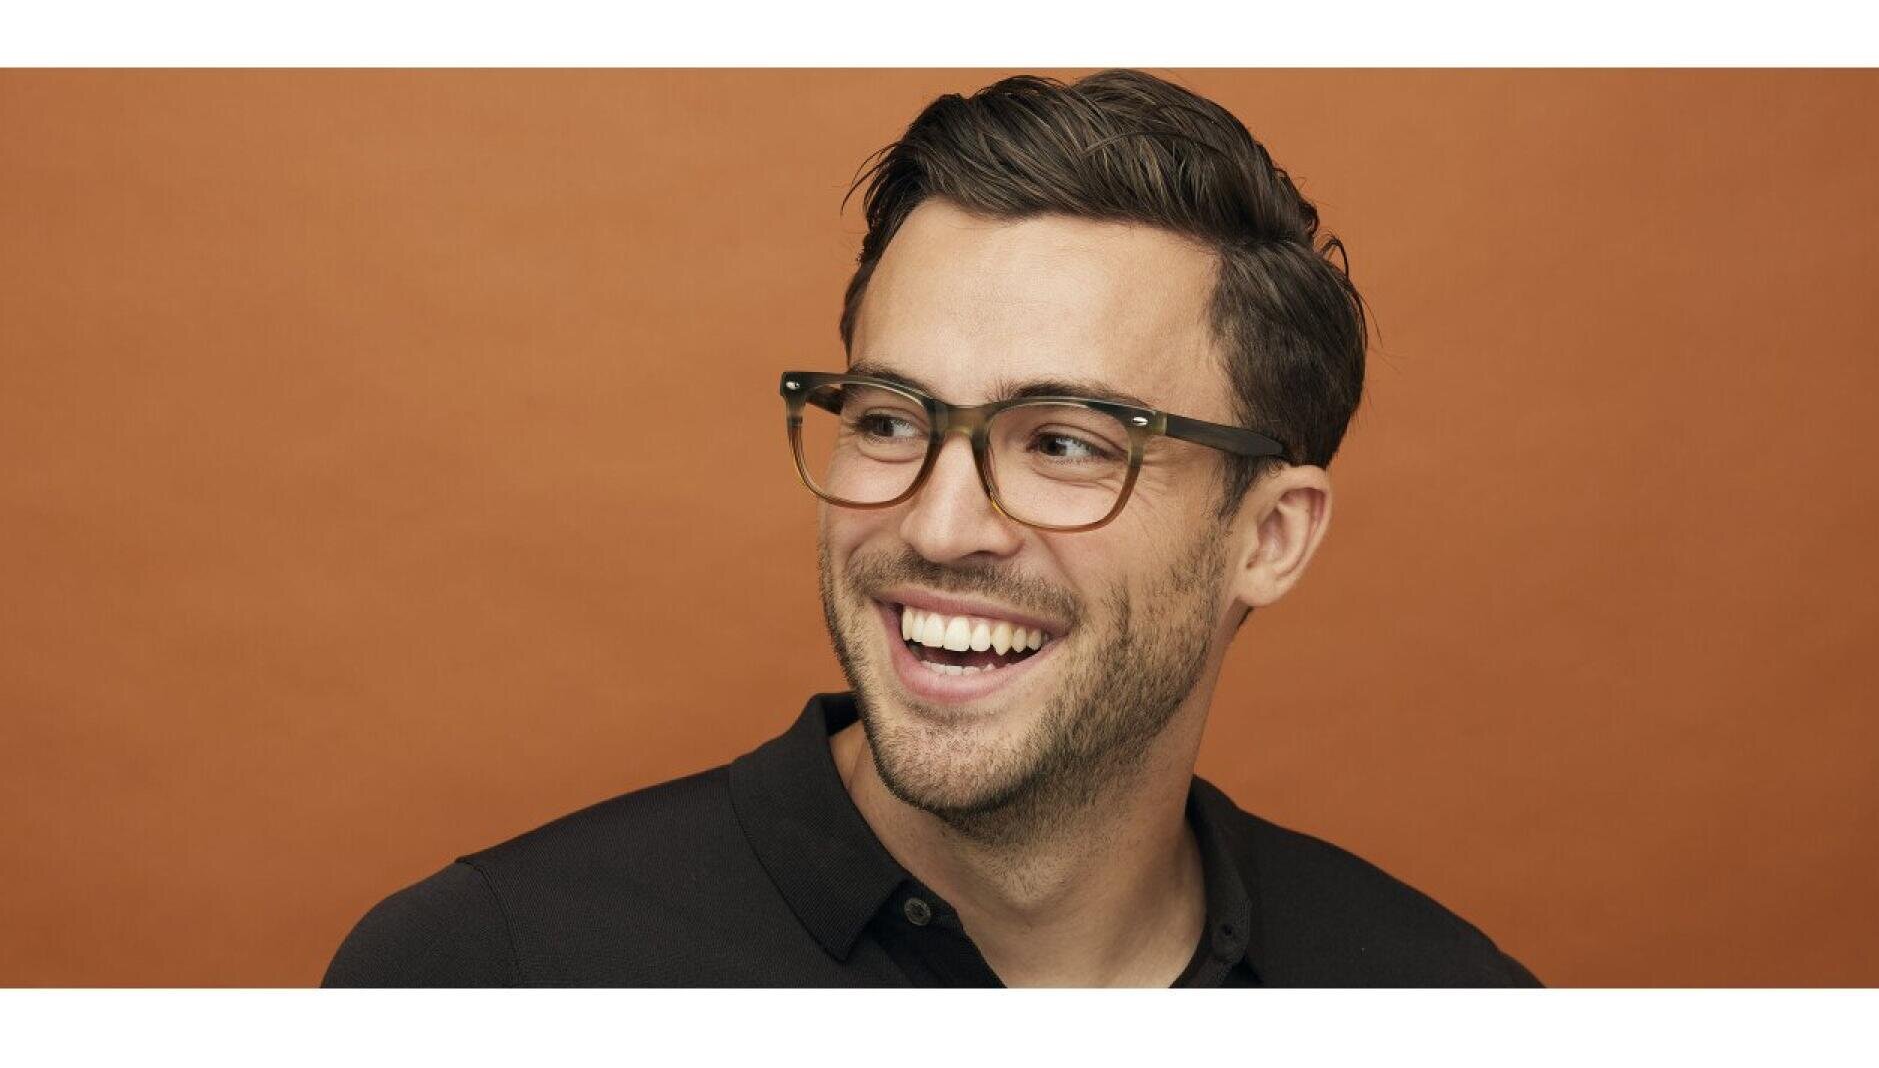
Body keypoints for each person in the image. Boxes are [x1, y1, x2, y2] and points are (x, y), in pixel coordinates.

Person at [323, 69, 1539, 988]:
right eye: (891, 420)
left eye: (1066, 442)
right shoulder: (494, 975)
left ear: (1268, 538)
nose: (940, 524)